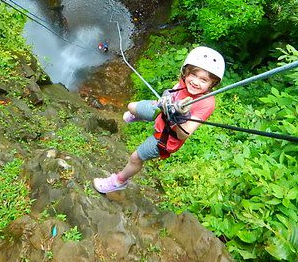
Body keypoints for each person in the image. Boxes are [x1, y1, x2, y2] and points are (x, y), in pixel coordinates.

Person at [93, 46, 225, 193]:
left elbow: (183, 134)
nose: (195, 82)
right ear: (185, 72)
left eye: (204, 80)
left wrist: (178, 118)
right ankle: (140, 117)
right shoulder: (183, 83)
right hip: (161, 112)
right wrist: (165, 100)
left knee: (135, 157)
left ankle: (118, 181)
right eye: (193, 75)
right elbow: (173, 92)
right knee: (131, 106)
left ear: (212, 84)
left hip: (167, 136)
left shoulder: (206, 103)